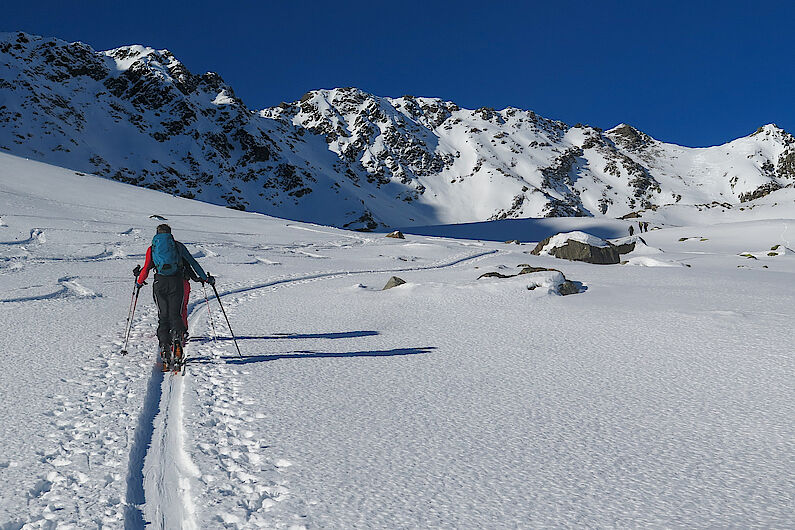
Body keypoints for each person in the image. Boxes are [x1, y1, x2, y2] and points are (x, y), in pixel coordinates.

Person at [135, 224, 214, 370]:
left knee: (163, 316)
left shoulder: (152, 248)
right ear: (170, 234)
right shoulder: (177, 246)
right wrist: (205, 278)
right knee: (176, 314)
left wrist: (139, 282)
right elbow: (193, 263)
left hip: (159, 283)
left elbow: (146, 268)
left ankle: (165, 347)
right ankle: (177, 341)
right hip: (177, 282)